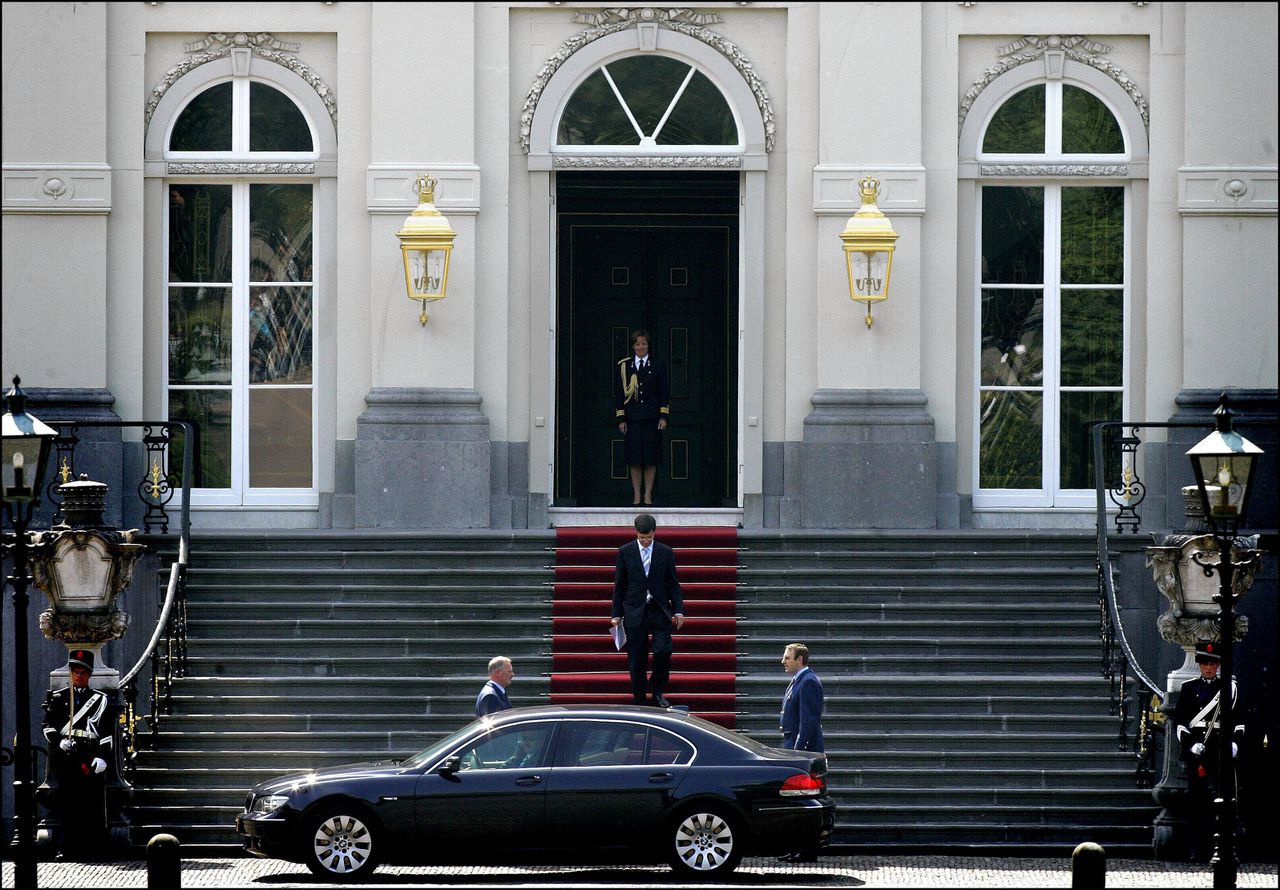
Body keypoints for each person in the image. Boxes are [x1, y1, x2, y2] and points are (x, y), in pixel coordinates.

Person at [1172, 640, 1245, 862]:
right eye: (1205, 663)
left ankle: (1225, 845)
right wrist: (1191, 744)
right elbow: (1181, 722)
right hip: (1199, 751)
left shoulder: (1228, 688)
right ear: (1200, 664)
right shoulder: (1189, 688)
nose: (1209, 668)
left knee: (1225, 799)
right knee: (1196, 801)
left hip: (1220, 749)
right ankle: (1196, 847)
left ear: (1218, 665)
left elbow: (1239, 721)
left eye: (1212, 664)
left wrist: (1234, 742)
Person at [40, 649, 112, 861]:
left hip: (89, 754)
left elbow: (106, 731)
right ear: (70, 674)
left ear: (89, 675)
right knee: (68, 803)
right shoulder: (58, 697)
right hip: (67, 756)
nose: (79, 676)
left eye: (83, 672)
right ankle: (67, 847)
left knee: (92, 803)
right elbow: (47, 725)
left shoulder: (100, 700)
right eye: (75, 672)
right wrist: (58, 741)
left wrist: (102, 756)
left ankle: (93, 847)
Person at [612, 514, 684, 707]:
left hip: (659, 609)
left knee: (663, 651)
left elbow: (673, 584)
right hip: (634, 609)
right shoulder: (625, 552)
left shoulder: (665, 552)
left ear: (654, 533)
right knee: (637, 657)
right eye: (642, 538)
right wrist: (616, 614)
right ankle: (640, 697)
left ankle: (658, 690)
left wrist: (678, 611)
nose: (645, 541)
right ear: (636, 533)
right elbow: (619, 585)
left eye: (649, 538)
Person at [614, 329, 670, 506]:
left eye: (644, 343)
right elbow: (619, 394)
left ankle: (648, 495)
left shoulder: (658, 365)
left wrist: (663, 415)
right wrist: (621, 418)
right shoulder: (625, 366)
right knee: (635, 459)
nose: (641, 347)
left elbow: (664, 392)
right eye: (637, 344)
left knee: (650, 458)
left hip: (652, 419)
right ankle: (637, 495)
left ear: (648, 346)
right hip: (633, 419)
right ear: (633, 346)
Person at [780, 643, 824, 753]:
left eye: (787, 658)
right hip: (793, 744)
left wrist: (798, 751)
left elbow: (808, 721)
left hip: (803, 750)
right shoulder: (799, 679)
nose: (783, 661)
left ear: (799, 659)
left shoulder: (808, 682)